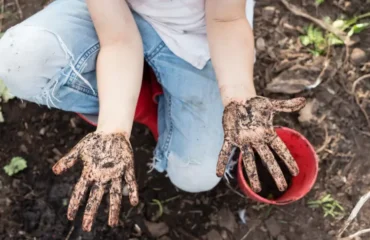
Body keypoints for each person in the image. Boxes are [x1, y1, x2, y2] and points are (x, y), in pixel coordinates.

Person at [0, 0, 305, 232]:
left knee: (195, 176)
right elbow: (118, 40)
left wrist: (239, 99)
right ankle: (144, 108)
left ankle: (161, 89)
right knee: (21, 59)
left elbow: (227, 20)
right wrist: (113, 131)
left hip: (199, 35)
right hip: (119, 20)